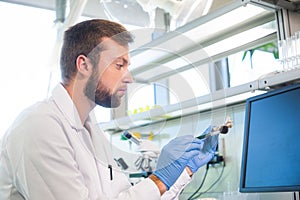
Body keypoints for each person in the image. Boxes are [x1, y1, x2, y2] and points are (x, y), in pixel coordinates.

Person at [0, 19, 217, 200]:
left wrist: (182, 171)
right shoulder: (40, 125)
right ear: (84, 65)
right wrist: (160, 179)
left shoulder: (91, 131)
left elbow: (122, 196)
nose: (129, 78)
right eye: (119, 65)